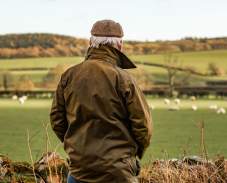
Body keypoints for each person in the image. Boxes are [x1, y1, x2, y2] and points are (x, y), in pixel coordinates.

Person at [50, 19, 153, 183]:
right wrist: (132, 155)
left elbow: (57, 119)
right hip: (119, 173)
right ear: (120, 46)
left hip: (79, 172)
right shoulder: (125, 79)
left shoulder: (69, 76)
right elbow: (143, 127)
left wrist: (76, 147)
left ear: (90, 42)